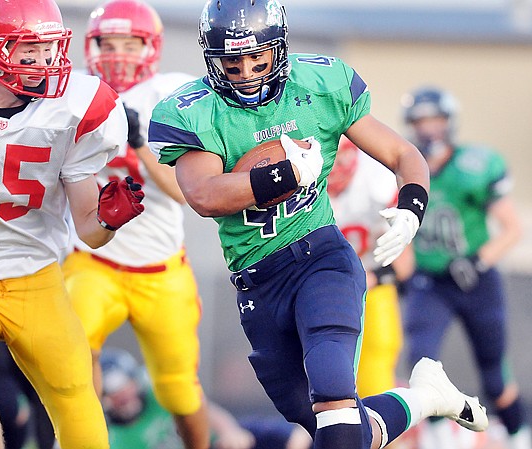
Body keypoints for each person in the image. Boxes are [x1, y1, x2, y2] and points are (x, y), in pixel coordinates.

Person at [147, 1, 489, 449]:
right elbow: (205, 196)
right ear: (212, 59)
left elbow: (404, 155)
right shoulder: (195, 110)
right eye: (233, 62)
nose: (248, 72)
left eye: (258, 58)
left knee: (333, 394)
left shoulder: (320, 83)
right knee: (335, 430)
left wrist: (412, 206)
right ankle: (425, 397)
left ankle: (420, 397)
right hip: (257, 281)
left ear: (279, 48)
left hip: (320, 259)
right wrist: (287, 173)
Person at [0, 0, 146, 447]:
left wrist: (107, 220)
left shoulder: (78, 108)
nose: (44, 64)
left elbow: (88, 230)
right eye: (28, 52)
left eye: (49, 51)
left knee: (75, 392)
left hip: (35, 277)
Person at [62, 1, 209, 448]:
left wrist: (140, 143)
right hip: (93, 262)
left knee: (178, 389)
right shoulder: (74, 94)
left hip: (160, 271)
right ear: (92, 47)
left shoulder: (173, 96)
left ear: (151, 48)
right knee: (72, 354)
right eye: (110, 43)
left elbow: (188, 193)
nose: (119, 53)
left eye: (131, 43)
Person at [399, 86, 530, 449]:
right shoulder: (405, 168)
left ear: (449, 123)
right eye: (421, 121)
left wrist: (477, 261)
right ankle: (439, 440)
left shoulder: (475, 165)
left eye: (435, 120)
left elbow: (512, 228)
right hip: (430, 281)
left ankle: (518, 437)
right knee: (422, 362)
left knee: (494, 375)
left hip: (476, 280)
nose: (428, 129)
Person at [326, 136, 414, 399]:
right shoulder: (304, 190)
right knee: (325, 379)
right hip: (324, 289)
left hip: (372, 285)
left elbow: (405, 264)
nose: (335, 166)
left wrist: (372, 277)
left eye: (340, 157)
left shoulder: (377, 183)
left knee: (375, 378)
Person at [99, 346, 314, 449]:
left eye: (124, 385)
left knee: (296, 438)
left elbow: (205, 411)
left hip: (217, 444)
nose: (122, 395)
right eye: (113, 392)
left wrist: (230, 432)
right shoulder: (116, 441)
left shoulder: (158, 394)